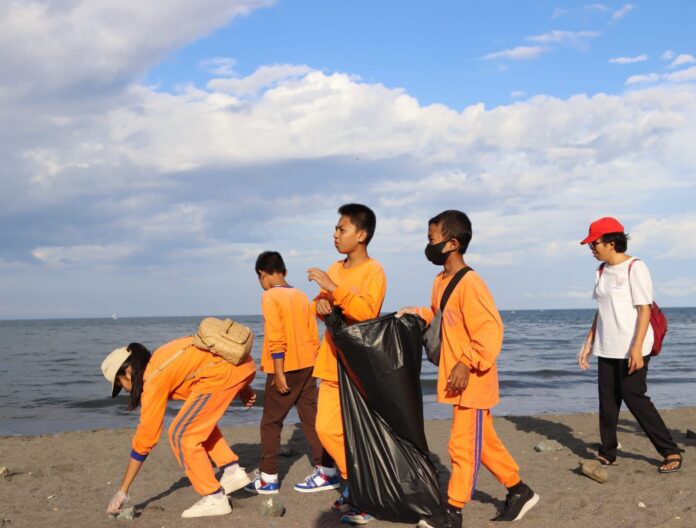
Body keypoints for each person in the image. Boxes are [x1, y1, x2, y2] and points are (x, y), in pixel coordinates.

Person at [398, 210, 539, 528]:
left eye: (432, 238)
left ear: (452, 243)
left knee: (462, 444)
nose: (428, 244)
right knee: (483, 442)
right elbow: (440, 315)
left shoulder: (471, 282)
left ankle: (453, 511)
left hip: (472, 379)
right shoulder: (441, 281)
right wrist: (417, 312)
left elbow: (490, 330)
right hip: (456, 379)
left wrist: (466, 362)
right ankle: (519, 491)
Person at [101, 337, 256, 518]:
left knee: (180, 434)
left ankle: (215, 497)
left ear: (128, 371)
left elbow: (145, 439)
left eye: (121, 384)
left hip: (225, 373)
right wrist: (243, 385)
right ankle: (232, 470)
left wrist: (122, 491)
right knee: (193, 423)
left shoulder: (153, 379)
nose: (126, 391)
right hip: (238, 365)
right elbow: (211, 354)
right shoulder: (161, 357)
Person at [578, 216, 682, 472]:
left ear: (612, 243)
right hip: (607, 345)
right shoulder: (601, 271)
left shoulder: (636, 267)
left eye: (595, 244)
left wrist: (636, 348)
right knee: (608, 400)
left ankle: (670, 451)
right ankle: (608, 452)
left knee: (634, 396)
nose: (592, 249)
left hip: (633, 346)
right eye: (591, 245)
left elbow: (644, 309)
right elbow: (601, 309)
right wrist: (589, 341)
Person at [307, 203, 387, 525]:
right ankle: (355, 485)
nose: (335, 234)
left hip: (359, 366)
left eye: (342, 229)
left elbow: (368, 312)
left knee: (358, 434)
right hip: (330, 362)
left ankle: (362, 495)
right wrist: (321, 303)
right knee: (326, 428)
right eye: (336, 228)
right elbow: (318, 305)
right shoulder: (335, 267)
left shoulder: (374, 271)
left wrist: (332, 289)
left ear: (362, 235)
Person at [244, 250, 336, 494]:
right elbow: (311, 334)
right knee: (311, 419)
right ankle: (327, 471)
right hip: (308, 366)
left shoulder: (270, 297)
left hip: (285, 367)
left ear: (262, 274)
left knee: (271, 423)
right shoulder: (301, 295)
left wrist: (279, 371)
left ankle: (268, 478)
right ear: (284, 271)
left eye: (260, 279)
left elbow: (276, 336)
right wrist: (316, 363)